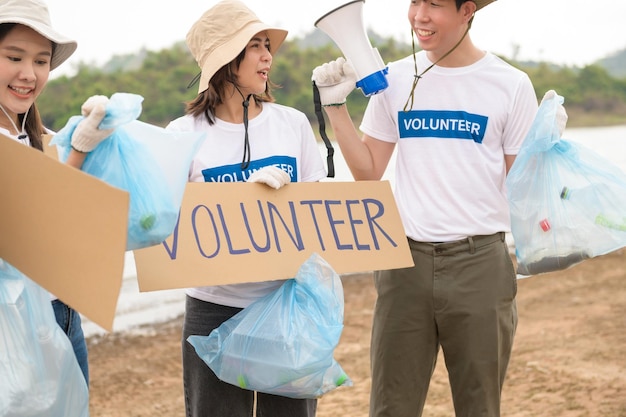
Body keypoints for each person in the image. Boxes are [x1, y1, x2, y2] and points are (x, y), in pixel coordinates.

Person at [312, 0, 541, 416]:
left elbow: (523, 188)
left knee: (479, 405)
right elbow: (368, 175)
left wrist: (546, 153)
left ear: (467, 9)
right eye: (414, 2)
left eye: (433, 4)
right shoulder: (394, 79)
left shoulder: (511, 84)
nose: (419, 15)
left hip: (481, 264)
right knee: (390, 406)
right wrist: (334, 107)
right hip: (404, 264)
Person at [165, 1, 327, 416]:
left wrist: (287, 198)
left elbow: (316, 208)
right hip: (213, 309)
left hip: (285, 301)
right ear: (225, 61)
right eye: (255, 45)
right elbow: (167, 225)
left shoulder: (291, 124)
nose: (268, 56)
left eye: (267, 45)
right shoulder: (183, 135)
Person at [0, 0, 113, 386]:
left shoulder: (37, 140)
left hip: (61, 312)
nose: (28, 74)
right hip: (14, 324)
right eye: (14, 57)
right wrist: (79, 150)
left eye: (41, 61)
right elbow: (35, 225)